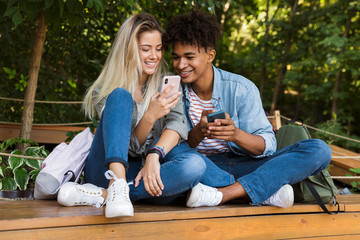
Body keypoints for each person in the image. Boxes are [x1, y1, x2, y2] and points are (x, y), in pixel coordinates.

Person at [163, 10, 332, 208]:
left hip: (246, 165)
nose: (181, 65)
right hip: (201, 167)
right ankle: (258, 191)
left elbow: (268, 144)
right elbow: (174, 148)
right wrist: (199, 132)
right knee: (174, 154)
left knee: (319, 150)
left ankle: (223, 193)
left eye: (189, 57)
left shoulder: (241, 89)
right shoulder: (171, 90)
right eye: (176, 57)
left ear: (210, 55)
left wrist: (235, 134)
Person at [56, 13, 209, 218]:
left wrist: (155, 155)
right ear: (128, 51)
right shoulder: (104, 90)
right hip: (105, 170)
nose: (154, 56)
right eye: (146, 49)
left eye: (158, 48)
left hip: (143, 175)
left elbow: (178, 124)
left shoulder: (166, 84)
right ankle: (115, 186)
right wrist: (149, 117)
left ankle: (103, 195)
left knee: (195, 165)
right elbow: (127, 148)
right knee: (120, 96)